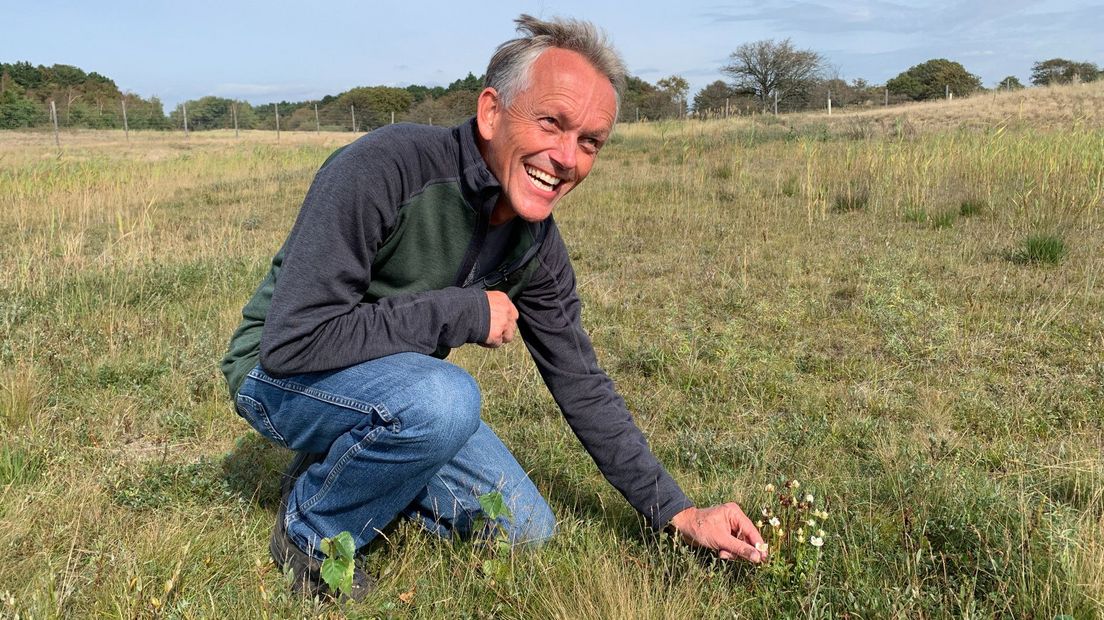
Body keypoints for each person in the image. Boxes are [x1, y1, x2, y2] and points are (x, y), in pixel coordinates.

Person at [221, 14, 765, 599]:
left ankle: (340, 468)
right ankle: (310, 535)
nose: (566, 158)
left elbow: (581, 383)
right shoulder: (383, 167)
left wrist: (678, 513)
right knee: (445, 398)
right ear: (490, 112)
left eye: (589, 142)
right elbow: (293, 341)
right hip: (277, 376)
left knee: (523, 529)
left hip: (391, 388)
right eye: (551, 123)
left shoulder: (537, 247)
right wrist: (463, 311)